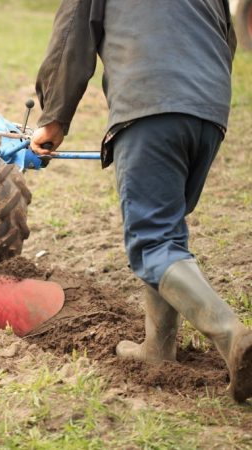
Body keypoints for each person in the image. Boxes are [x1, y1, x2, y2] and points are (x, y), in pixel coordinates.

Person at [31, 0, 252, 403]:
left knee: (152, 240)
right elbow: (227, 39)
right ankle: (157, 350)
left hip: (150, 102)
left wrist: (53, 120)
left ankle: (233, 337)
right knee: (166, 234)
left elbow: (70, 40)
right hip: (210, 110)